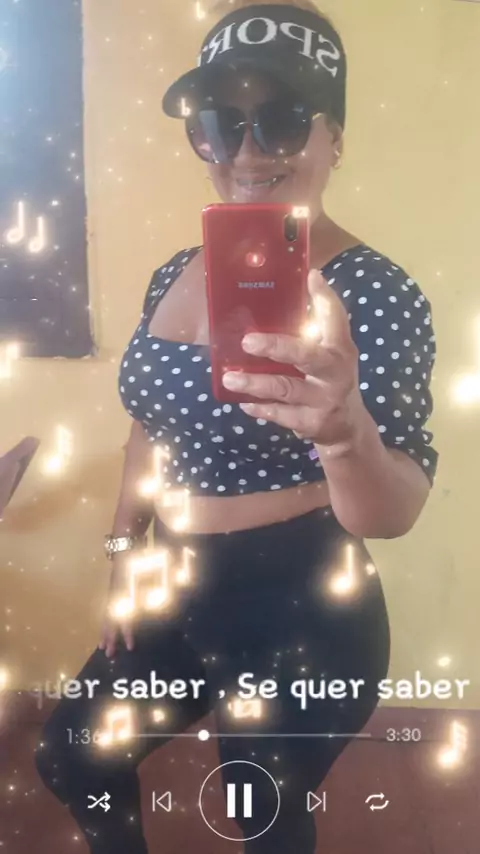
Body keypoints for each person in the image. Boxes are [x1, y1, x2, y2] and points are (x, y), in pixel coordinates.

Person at [35, 1, 438, 852]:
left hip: (300, 594)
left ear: (334, 138)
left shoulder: (375, 292)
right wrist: (124, 554)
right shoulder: (175, 273)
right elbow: (148, 426)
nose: (249, 153)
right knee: (73, 754)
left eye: (283, 119)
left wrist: (345, 433)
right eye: (221, 124)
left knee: (259, 810)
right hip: (174, 579)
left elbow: (394, 507)